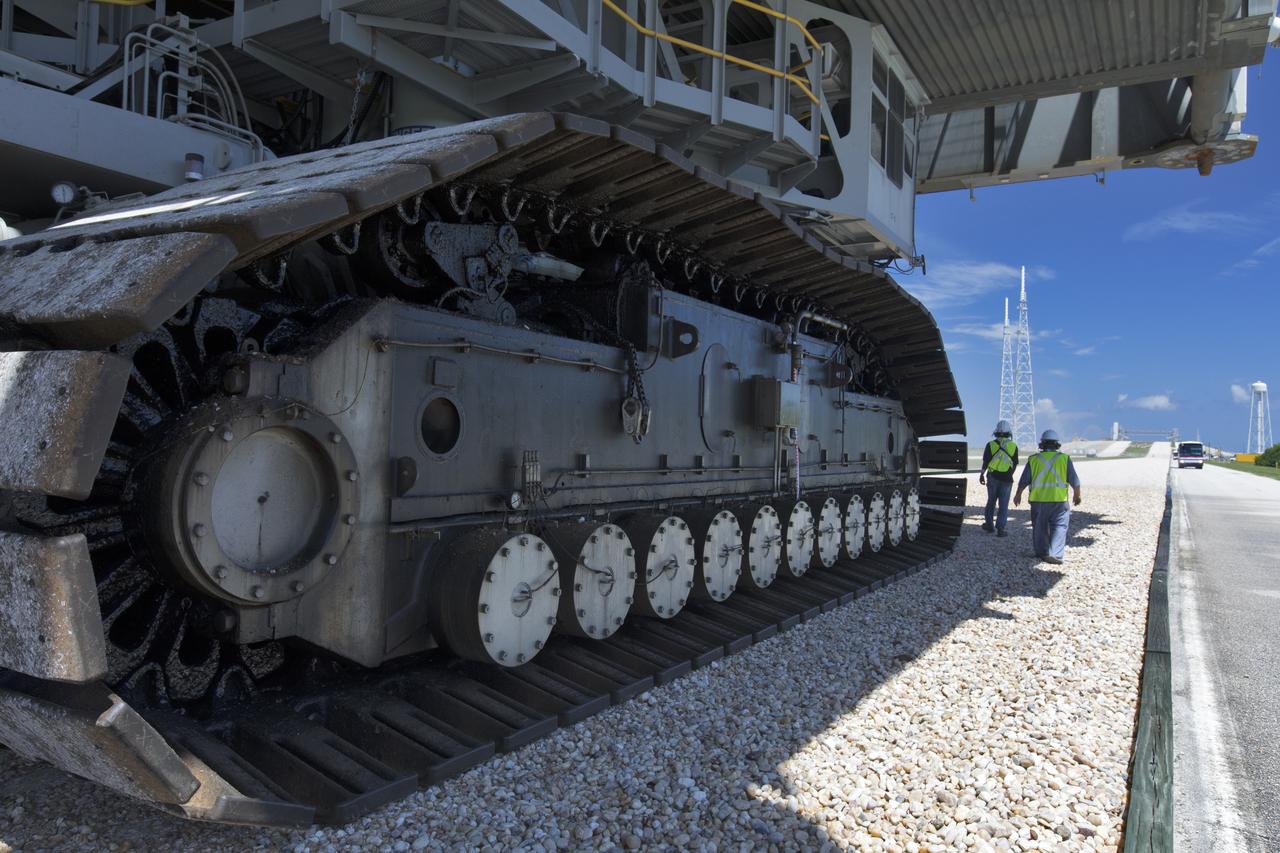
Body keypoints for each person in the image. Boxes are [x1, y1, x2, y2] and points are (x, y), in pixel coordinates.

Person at [1013, 429, 1082, 564]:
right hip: (1059, 500)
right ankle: (1055, 554)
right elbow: (1075, 481)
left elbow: (1024, 480)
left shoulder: (1033, 459)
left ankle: (1042, 552)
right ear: (1057, 444)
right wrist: (1077, 496)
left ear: (1042, 444)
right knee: (1060, 526)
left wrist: (1018, 495)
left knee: (1039, 527)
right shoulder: (1064, 459)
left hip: (1038, 500)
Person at [978, 419, 1018, 537]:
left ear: (996, 432)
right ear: (1009, 433)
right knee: (1004, 504)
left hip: (992, 477)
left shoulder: (990, 445)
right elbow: (1014, 464)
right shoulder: (1013, 446)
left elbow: (985, 462)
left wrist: (981, 474)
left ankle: (989, 525)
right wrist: (1009, 474)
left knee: (991, 502)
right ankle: (1000, 529)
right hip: (1007, 479)